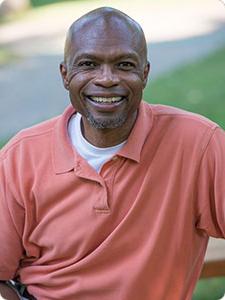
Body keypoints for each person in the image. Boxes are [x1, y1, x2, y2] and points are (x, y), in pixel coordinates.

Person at [0, 6, 225, 300]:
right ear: (65, 74)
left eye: (125, 65)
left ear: (144, 74)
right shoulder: (20, 157)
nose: (107, 79)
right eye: (89, 64)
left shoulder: (199, 145)